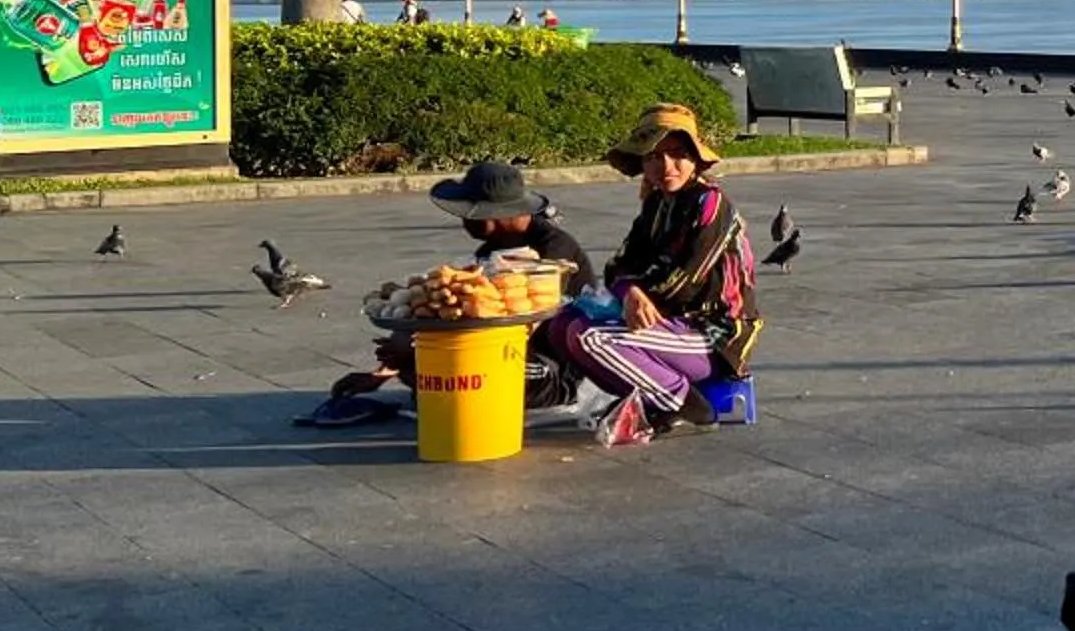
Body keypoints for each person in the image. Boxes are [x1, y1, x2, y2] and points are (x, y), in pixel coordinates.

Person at [298, 159, 594, 429]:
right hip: (508, 352)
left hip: (553, 369)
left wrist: (414, 355)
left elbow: (519, 328)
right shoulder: (491, 251)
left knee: (456, 371)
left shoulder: (554, 253)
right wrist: (385, 371)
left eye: (467, 215)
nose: (463, 222)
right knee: (429, 368)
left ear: (495, 213)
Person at [548, 102, 759, 446]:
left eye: (677, 154)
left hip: (712, 334)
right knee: (562, 326)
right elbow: (620, 263)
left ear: (695, 158)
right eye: (654, 156)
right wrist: (630, 290)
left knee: (592, 337)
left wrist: (636, 291)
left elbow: (686, 279)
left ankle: (686, 405)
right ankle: (643, 398)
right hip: (666, 323)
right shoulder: (656, 203)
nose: (666, 166)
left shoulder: (711, 204)